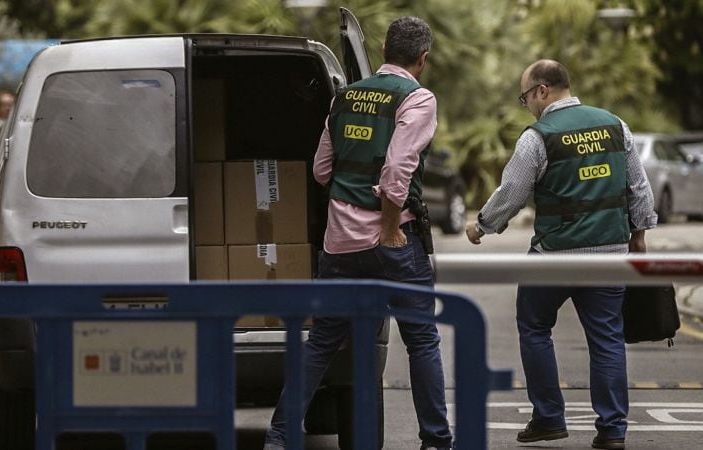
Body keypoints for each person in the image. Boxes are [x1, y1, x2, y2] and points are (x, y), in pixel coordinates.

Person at [263, 16, 453, 450]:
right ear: (422, 58)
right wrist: (387, 228)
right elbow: (396, 172)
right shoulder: (417, 99)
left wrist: (350, 202)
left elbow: (321, 170)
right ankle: (436, 442)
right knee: (421, 339)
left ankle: (278, 436)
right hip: (395, 243)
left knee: (322, 342)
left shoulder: (344, 98)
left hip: (340, 245)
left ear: (385, 50)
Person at [465, 59, 657, 450]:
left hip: (555, 254)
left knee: (534, 325)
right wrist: (639, 237)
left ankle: (549, 417)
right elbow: (639, 188)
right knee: (607, 339)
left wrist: (482, 225)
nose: (527, 106)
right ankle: (612, 431)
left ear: (542, 91)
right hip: (609, 253)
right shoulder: (614, 125)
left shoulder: (538, 136)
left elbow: (513, 192)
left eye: (525, 98)